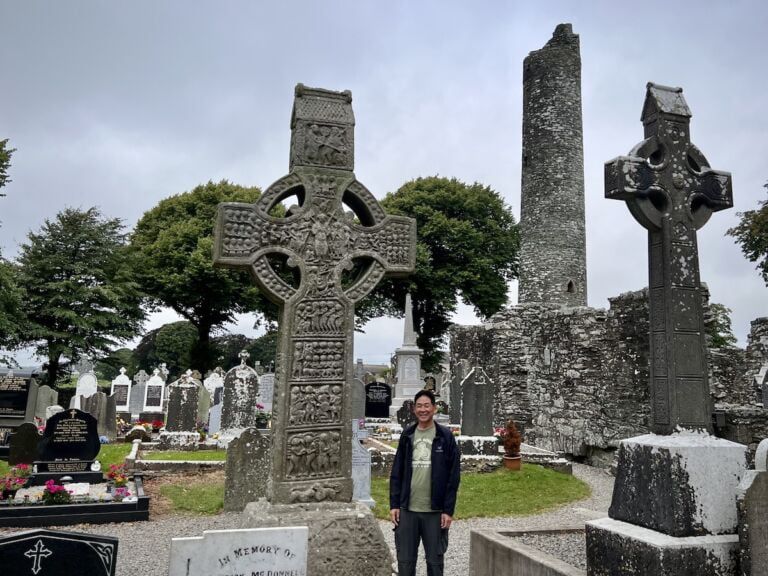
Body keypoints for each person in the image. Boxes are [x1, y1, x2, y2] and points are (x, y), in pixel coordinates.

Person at [389, 389, 460, 576]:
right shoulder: (408, 435)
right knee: (405, 563)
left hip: (434, 512)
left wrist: (448, 510)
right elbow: (397, 472)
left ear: (434, 408)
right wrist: (394, 504)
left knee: (435, 563)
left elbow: (453, 477)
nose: (423, 409)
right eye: (419, 406)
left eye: (426, 405)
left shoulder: (445, 437)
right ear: (414, 409)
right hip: (407, 511)